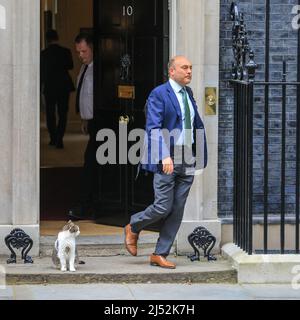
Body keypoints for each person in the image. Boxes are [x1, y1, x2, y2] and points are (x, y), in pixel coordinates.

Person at [124, 56, 208, 269]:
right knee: (163, 206)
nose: (189, 71)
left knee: (177, 208)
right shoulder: (159, 94)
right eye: (184, 67)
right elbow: (153, 127)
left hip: (187, 156)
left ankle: (160, 253)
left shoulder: (188, 93)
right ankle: (133, 226)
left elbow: (193, 123)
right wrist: (164, 155)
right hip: (168, 158)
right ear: (171, 71)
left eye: (190, 67)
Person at [68, 33, 98, 220]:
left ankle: (86, 205)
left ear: (92, 48)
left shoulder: (98, 71)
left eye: (84, 51)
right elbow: (85, 97)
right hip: (91, 122)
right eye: (78, 51)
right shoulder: (84, 68)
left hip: (101, 124)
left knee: (91, 164)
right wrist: (84, 119)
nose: (80, 55)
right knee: (91, 163)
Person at [40, 29, 75, 149]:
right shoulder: (65, 51)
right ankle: (59, 139)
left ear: (47, 39)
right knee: (62, 113)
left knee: (50, 113)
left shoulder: (43, 54)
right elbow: (70, 65)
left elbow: (42, 72)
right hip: (63, 86)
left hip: (50, 86)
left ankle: (53, 138)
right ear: (57, 37)